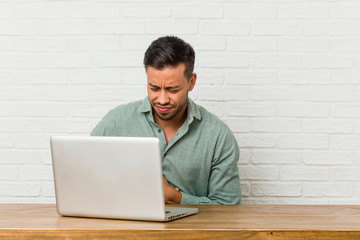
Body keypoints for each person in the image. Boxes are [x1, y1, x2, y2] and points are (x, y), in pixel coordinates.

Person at [91, 36, 241, 205]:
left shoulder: (218, 136)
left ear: (191, 82)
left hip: (189, 231)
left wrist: (175, 197)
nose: (162, 100)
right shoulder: (116, 122)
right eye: (154, 88)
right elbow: (86, 177)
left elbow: (229, 207)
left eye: (172, 89)